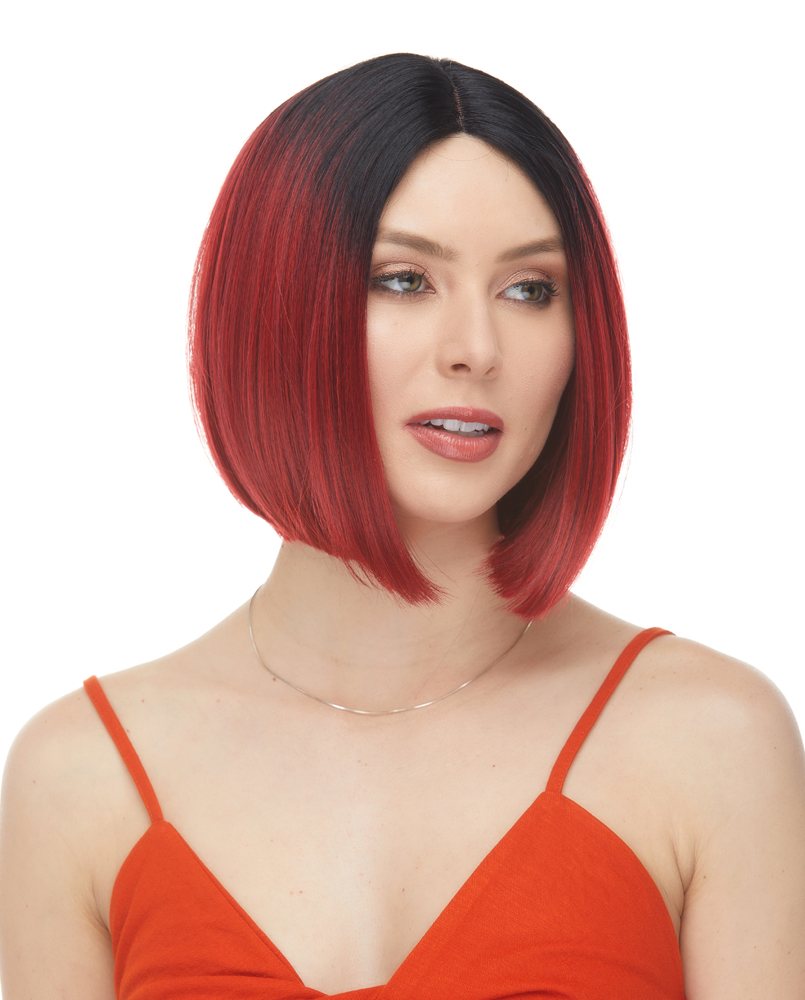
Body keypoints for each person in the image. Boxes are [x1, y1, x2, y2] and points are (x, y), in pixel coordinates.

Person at [1, 52, 803, 1000]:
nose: (475, 350)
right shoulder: (78, 779)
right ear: (270, 305)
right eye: (403, 279)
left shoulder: (710, 743)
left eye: (529, 289)